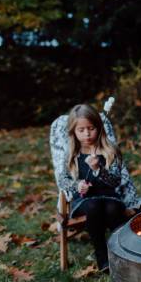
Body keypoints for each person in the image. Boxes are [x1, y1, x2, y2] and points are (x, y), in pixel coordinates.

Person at [58, 104, 128, 272]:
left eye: (91, 128)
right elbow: (62, 180)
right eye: (81, 130)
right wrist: (77, 185)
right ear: (74, 131)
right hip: (84, 201)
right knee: (94, 207)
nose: (87, 134)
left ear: (99, 127)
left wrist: (99, 170)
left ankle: (122, 254)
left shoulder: (109, 150)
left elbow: (116, 181)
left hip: (110, 197)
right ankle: (102, 256)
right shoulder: (72, 154)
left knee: (111, 209)